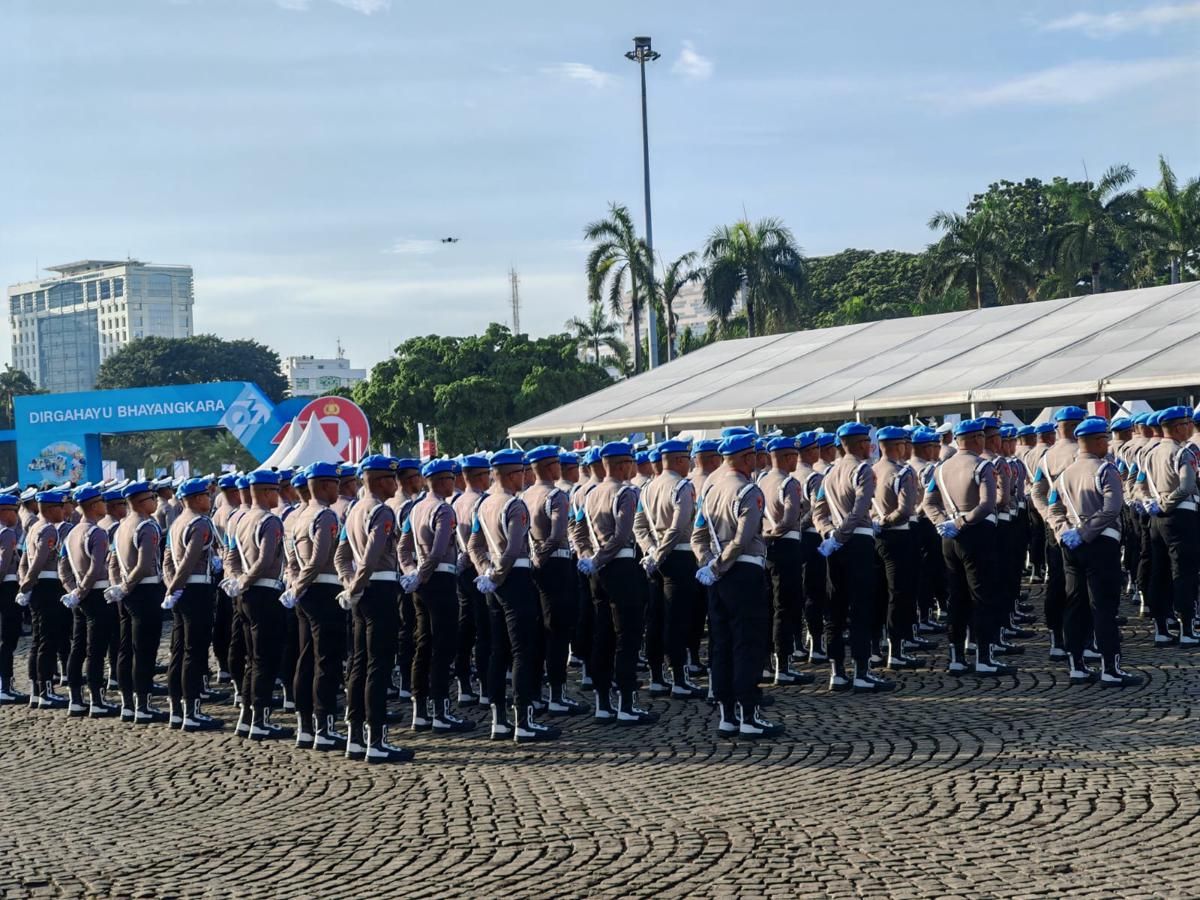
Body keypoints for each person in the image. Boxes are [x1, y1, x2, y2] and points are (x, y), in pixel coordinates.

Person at [691, 432, 782, 737]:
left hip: (717, 578)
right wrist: (718, 565)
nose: (758, 460)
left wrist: (708, 565)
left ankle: (726, 715)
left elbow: (698, 536)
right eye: (755, 455)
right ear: (746, 458)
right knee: (748, 643)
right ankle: (749, 716)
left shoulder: (711, 489)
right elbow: (743, 539)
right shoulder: (748, 491)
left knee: (722, 645)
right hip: (742, 574)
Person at [468, 448, 561, 742]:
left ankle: (499, 720)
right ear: (511, 474)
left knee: (499, 650)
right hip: (515, 578)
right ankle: (524, 721)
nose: (525, 477)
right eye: (522, 472)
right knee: (522, 650)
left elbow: (473, 544)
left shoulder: (482, 505)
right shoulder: (514, 506)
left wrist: (486, 572)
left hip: (494, 584)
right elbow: (513, 548)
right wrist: (496, 573)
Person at [1047, 417, 1141, 686]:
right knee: (1103, 607)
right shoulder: (1105, 470)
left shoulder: (1064, 474)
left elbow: (1053, 508)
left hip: (1072, 547)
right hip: (1101, 544)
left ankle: (1076, 665)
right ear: (1098, 441)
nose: (1107, 445)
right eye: (1105, 440)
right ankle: (1110, 669)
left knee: (1075, 605)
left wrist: (1064, 532)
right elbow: (1112, 508)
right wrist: (1086, 533)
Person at [335, 455, 413, 763]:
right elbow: (369, 557)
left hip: (362, 592)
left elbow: (342, 555)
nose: (395, 484)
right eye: (392, 479)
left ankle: (355, 737)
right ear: (381, 481)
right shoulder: (381, 511)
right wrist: (355, 586)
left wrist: (348, 584)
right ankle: (377, 741)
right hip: (378, 590)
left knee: (359, 664)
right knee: (378, 666)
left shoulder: (353, 510)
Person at [922, 419, 1014, 677]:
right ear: (976, 440)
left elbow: (929, 503)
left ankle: (956, 657)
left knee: (957, 597)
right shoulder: (982, 465)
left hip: (949, 538)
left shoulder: (940, 468)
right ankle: (984, 657)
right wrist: (962, 521)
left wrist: (944, 523)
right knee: (981, 595)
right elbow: (988, 503)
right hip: (977, 532)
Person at [578, 441, 656, 726]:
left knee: (603, 635)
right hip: (621, 567)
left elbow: (578, 530)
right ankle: (625, 704)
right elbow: (623, 535)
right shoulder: (627, 492)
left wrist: (588, 557)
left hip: (599, 573)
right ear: (623, 465)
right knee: (628, 636)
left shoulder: (589, 494)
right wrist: (599, 558)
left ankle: (602, 703)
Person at [813, 423, 893, 693]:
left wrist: (829, 534)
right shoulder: (862, 470)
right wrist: (842, 535)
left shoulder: (829, 473)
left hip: (834, 545)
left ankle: (837, 672)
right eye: (867, 443)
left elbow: (818, 512)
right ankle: (861, 672)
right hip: (856, 541)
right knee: (860, 608)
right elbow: (861, 508)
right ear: (860, 445)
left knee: (834, 611)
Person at [399, 458, 475, 734]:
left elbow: (403, 548)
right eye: (449, 479)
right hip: (439, 579)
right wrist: (424, 572)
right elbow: (440, 547)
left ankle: (420, 711)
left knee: (423, 644)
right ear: (441, 481)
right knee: (443, 646)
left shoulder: (415, 509)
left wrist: (412, 572)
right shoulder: (443, 510)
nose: (452, 483)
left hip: (421, 583)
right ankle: (440, 712)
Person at [633, 437, 705, 699]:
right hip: (679, 557)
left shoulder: (647, 489)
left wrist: (651, 551)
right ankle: (678, 679)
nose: (690, 464)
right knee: (677, 619)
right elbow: (677, 526)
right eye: (687, 459)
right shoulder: (682, 486)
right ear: (677, 461)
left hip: (656, 560)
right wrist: (660, 553)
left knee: (656, 617)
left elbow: (639, 526)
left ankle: (656, 677)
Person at [224, 469, 290, 742]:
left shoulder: (239, 520)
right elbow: (264, 560)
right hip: (264, 592)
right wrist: (246, 579)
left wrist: (235, 579)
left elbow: (230, 556)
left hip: (245, 595)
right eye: (275, 490)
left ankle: (248, 717)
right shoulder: (270, 521)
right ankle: (260, 720)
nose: (278, 495)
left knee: (252, 659)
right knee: (265, 659)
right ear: (265, 492)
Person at [287, 462, 348, 751]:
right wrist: (300, 585)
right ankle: (324, 726)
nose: (338, 488)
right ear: (325, 486)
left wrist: (294, 586)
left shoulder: (298, 516)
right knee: (326, 660)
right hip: (323, 590)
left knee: (306, 659)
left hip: (305, 594)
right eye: (335, 484)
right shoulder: (325, 516)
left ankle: (305, 727)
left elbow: (291, 561)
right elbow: (321, 557)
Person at [522, 446, 584, 715]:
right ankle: (557, 695)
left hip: (531, 567)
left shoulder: (524, 495)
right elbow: (559, 533)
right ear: (551, 468)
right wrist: (542, 555)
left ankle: (535, 693)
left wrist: (534, 558)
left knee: (537, 633)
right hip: (556, 564)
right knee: (558, 632)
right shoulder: (556, 495)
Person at [162, 477, 223, 732]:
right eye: (207, 496)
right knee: (194, 651)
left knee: (178, 651)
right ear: (198, 498)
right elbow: (189, 560)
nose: (210, 500)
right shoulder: (200, 523)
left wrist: (171, 586)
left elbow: (167, 560)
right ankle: (192, 711)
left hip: (181, 589)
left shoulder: (177, 523)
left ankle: (176, 709)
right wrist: (176, 586)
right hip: (195, 588)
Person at [1030, 406, 1090, 662]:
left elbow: (1037, 492)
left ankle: (1056, 639)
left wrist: (1049, 517)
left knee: (1056, 581)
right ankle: (1085, 639)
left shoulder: (1047, 456)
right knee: (1083, 585)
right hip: (1082, 524)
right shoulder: (1083, 453)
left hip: (1055, 526)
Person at [757, 436, 815, 685]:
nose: (796, 460)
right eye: (793, 455)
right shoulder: (789, 483)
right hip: (786, 545)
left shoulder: (761, 481)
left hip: (765, 548)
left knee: (769, 607)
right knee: (786, 607)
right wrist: (775, 533)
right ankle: (784, 664)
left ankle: (767, 664)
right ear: (786, 457)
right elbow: (791, 518)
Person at [1139, 405, 1199, 646]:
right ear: (1177, 427)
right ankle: (1187, 630)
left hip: (1156, 519)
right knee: (1184, 573)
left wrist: (1151, 503)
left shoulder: (1149, 453)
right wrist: (1166, 503)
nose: (1190, 428)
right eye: (1186, 424)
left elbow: (1140, 485)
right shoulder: (1182, 453)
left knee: (1159, 573)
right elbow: (1186, 486)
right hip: (1180, 516)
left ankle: (1161, 629)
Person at [108, 481, 167, 723]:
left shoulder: (121, 527)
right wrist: (126, 586)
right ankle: (143, 705)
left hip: (127, 593)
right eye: (153, 496)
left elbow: (112, 563)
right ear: (143, 502)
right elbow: (143, 565)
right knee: (144, 650)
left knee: (125, 649)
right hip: (144, 590)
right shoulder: (147, 526)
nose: (156, 501)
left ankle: (127, 704)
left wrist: (119, 587)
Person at [59, 485, 115, 718]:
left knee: (78, 647)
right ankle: (97, 701)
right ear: (94, 505)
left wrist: (72, 590)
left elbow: (62, 567)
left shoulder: (70, 532)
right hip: (96, 594)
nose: (105, 505)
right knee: (96, 650)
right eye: (102, 501)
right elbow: (96, 567)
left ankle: (75, 699)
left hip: (80, 596)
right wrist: (81, 591)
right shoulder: (98, 532)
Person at [872, 426, 921, 670]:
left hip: (874, 538)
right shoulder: (902, 472)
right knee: (898, 594)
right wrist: (887, 520)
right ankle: (896, 650)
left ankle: (875, 647)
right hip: (897, 536)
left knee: (877, 594)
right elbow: (906, 509)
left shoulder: (871, 470)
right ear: (898, 446)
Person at [452, 455, 492, 705]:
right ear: (480, 476)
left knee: (465, 628)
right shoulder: (483, 502)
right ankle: (486, 686)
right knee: (485, 629)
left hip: (461, 569)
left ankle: (464, 684)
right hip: (481, 569)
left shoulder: (454, 502)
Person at [387, 458, 424, 702]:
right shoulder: (407, 506)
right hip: (406, 569)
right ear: (410, 479)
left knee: (400, 627)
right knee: (409, 627)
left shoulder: (389, 503)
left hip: (392, 571)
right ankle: (406, 680)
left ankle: (400, 678)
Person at [792, 432, 830, 663]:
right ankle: (816, 643)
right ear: (810, 451)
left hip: (788, 541)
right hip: (808, 537)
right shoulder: (813, 477)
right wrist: (797, 526)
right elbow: (817, 510)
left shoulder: (786, 475)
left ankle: (796, 643)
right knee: (814, 593)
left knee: (794, 594)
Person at [908, 428, 946, 640]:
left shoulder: (906, 467)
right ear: (927, 447)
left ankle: (923, 615)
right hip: (925, 522)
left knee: (920, 572)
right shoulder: (928, 470)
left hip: (913, 524)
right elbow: (927, 501)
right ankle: (926, 615)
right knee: (929, 572)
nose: (938, 449)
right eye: (935, 446)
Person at [209, 474, 242, 686]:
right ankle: (230, 665)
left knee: (222, 619)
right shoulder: (233, 514)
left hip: (221, 567)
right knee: (232, 621)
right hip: (232, 568)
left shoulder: (217, 513)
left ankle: (223, 665)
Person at [98, 486, 128, 692]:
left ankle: (114, 674)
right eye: (122, 504)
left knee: (111, 634)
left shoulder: (101, 524)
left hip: (103, 583)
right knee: (118, 634)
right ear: (114, 507)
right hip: (112, 583)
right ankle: (117, 674)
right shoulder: (115, 527)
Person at [0, 494, 25, 705]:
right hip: (6, 587)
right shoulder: (6, 533)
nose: (16, 515)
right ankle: (5, 686)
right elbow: (4, 562)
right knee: (7, 639)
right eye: (13, 511)